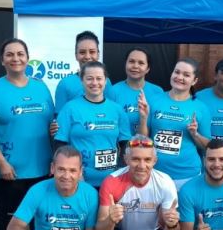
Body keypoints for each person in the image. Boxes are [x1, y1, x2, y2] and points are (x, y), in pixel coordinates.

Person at [0, 38, 54, 230]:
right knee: (9, 216)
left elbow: (50, 123)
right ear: (2, 60)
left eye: (20, 54)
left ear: (27, 58)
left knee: (38, 215)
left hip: (41, 166)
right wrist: (2, 163)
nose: (16, 58)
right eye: (10, 54)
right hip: (10, 170)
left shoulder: (40, 86)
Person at [54, 61, 131, 189]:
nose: (95, 83)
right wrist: (74, 173)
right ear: (82, 81)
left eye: (99, 78)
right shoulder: (70, 108)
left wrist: (122, 172)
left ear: (105, 81)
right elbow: (60, 144)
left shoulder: (117, 110)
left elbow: (125, 144)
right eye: (89, 78)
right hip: (79, 181)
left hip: (111, 181)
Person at [138, 58, 211, 190]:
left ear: (194, 81)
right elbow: (143, 139)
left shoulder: (201, 108)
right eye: (177, 72)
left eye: (186, 75)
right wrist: (143, 118)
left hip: (187, 175)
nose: (179, 77)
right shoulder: (155, 101)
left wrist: (195, 134)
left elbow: (207, 146)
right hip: (155, 172)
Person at [107, 47, 163, 134]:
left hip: (149, 145)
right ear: (125, 64)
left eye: (141, 63)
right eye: (131, 61)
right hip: (122, 145)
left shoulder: (158, 92)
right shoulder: (113, 91)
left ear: (148, 69)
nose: (135, 66)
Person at [54, 31, 113, 112]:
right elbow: (60, 119)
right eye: (82, 52)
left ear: (98, 54)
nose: (87, 56)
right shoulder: (65, 84)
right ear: (76, 55)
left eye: (92, 52)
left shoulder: (106, 82)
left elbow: (110, 111)